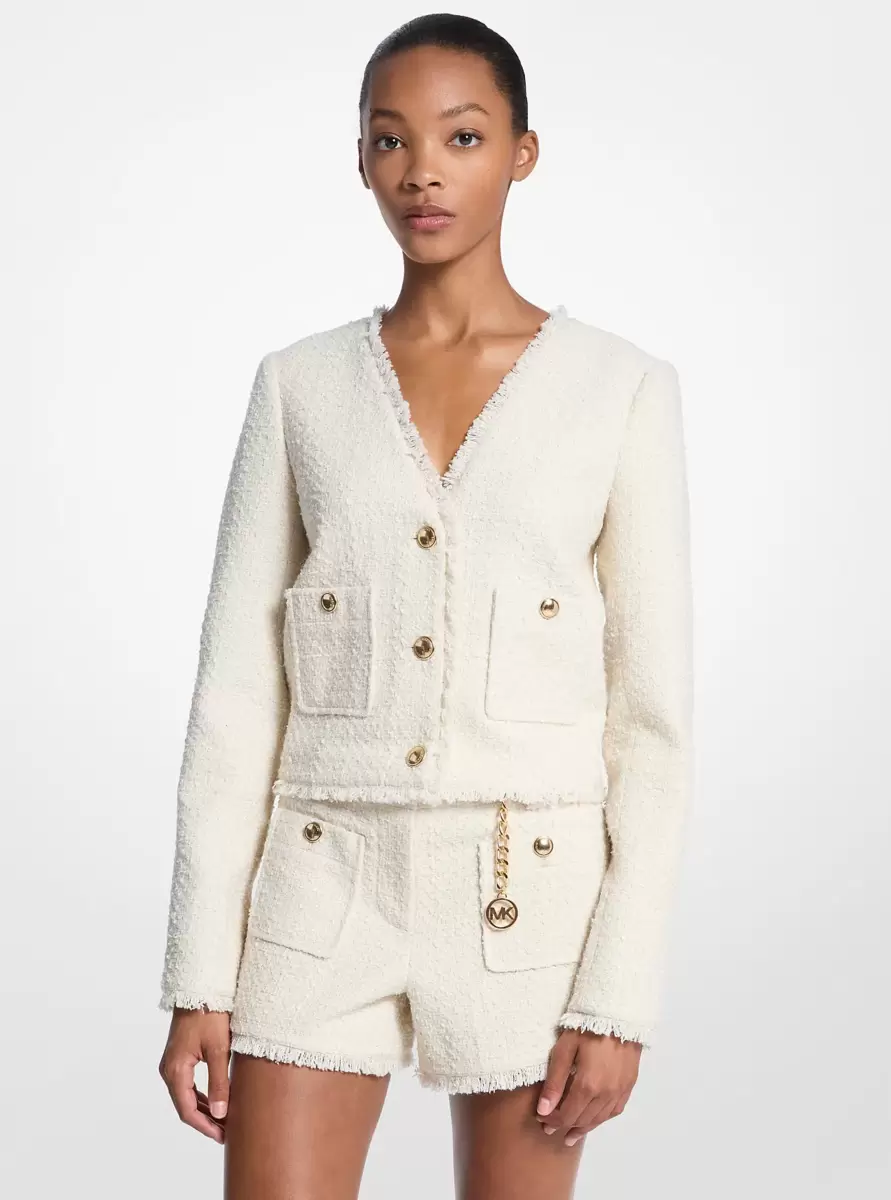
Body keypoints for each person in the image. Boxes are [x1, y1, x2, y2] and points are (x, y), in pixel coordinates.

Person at [157, 12, 695, 1199]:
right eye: (391, 139)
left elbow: (652, 730)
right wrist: (200, 973)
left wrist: (617, 997)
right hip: (319, 886)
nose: (423, 173)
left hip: (526, 894)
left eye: (462, 136)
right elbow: (235, 698)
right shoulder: (299, 388)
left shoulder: (618, 391)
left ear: (522, 152)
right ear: (360, 159)